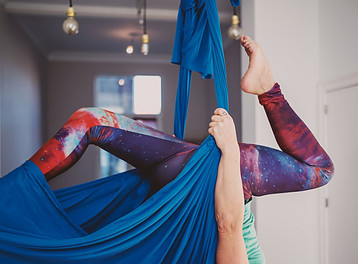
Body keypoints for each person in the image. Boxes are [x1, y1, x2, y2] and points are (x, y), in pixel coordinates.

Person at [24, 36, 333, 263]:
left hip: (217, 184)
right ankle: (16, 189)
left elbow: (227, 225)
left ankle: (268, 88)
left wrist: (229, 150)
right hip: (182, 191)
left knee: (320, 170)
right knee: (88, 121)